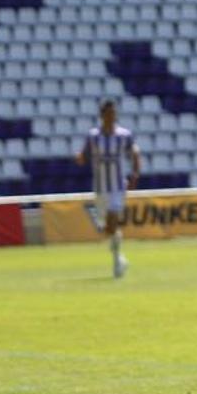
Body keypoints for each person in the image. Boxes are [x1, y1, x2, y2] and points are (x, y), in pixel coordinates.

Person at [75, 98, 140, 279]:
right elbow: (84, 154)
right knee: (109, 230)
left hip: (118, 187)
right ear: (102, 115)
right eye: (109, 113)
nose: (112, 116)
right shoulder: (93, 136)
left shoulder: (124, 135)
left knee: (112, 217)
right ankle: (119, 258)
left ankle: (117, 262)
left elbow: (135, 152)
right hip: (100, 188)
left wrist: (135, 174)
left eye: (114, 113)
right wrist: (80, 158)